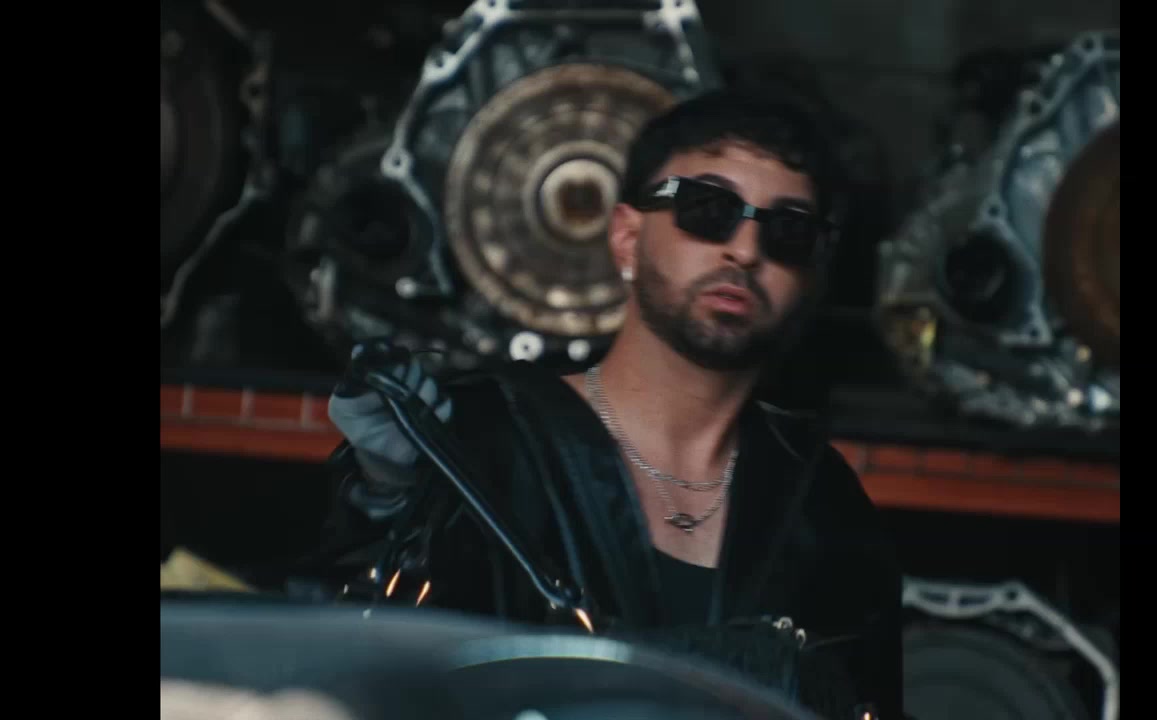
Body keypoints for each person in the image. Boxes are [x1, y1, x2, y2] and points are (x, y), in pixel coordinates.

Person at [321, 90, 906, 719]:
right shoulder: (486, 441)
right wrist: (384, 493)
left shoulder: (822, 500)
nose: (745, 250)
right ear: (627, 237)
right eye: (707, 209)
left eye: (788, 229)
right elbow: (353, 663)